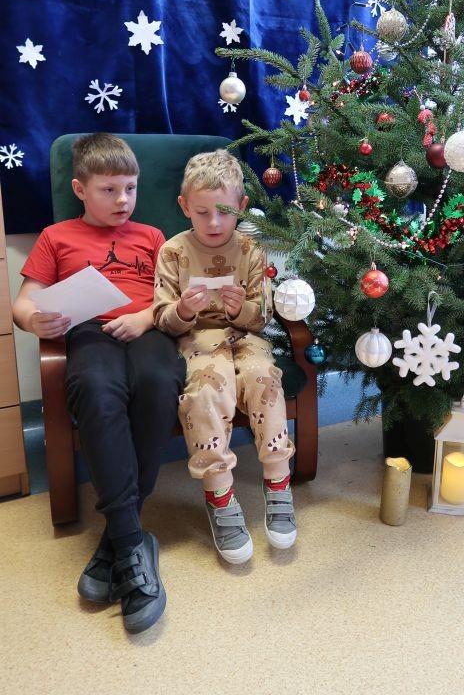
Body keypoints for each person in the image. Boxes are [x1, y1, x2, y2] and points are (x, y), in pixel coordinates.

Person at [12, 133, 185, 634]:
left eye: (130, 188)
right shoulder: (56, 237)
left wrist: (146, 318)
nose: (123, 200)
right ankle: (132, 541)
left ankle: (117, 539)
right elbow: (24, 301)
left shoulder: (152, 236)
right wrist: (32, 319)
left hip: (148, 329)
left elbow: (171, 296)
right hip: (89, 331)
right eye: (109, 190)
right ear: (80, 189)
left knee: (158, 380)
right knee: (96, 390)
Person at [153, 149, 296, 564]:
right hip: (198, 339)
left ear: (242, 206)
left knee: (263, 378)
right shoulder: (173, 252)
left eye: (224, 212)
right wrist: (184, 310)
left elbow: (263, 316)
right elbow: (162, 317)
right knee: (204, 390)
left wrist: (241, 309)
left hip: (246, 336)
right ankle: (219, 494)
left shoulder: (251, 249)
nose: (214, 223)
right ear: (184, 206)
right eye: (202, 213)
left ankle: (278, 481)